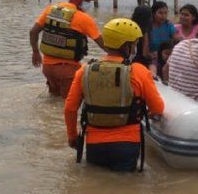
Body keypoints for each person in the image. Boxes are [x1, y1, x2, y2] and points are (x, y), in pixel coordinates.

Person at [64, 18, 164, 172]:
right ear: (126, 46)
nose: (136, 48)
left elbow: (70, 108)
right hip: (127, 144)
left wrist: (72, 137)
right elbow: (157, 108)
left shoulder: (84, 70)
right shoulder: (139, 71)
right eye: (135, 44)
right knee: (125, 188)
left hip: (94, 144)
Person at [30, 0, 103, 98]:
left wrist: (35, 52)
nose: (89, 4)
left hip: (47, 68)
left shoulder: (51, 10)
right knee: (68, 103)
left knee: (53, 100)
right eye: (87, 1)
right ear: (80, 0)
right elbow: (103, 44)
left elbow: (33, 32)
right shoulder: (84, 18)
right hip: (68, 70)